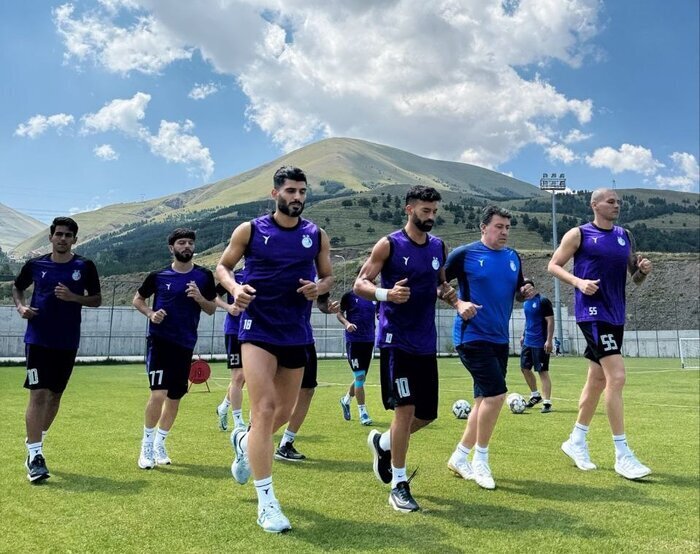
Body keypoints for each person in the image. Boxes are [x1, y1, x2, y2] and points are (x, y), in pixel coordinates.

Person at [216, 166, 333, 533]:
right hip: (257, 328)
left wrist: (319, 288)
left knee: (282, 412)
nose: (297, 197)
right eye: (291, 191)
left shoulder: (316, 235)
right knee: (264, 409)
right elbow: (223, 267)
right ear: (275, 193)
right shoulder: (250, 230)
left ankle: (243, 441)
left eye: (302, 191)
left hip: (296, 331)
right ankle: (267, 503)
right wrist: (235, 289)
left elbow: (328, 276)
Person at [355, 185, 456, 513]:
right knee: (405, 409)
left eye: (434, 211)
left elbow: (440, 284)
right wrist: (386, 294)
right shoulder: (389, 244)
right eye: (425, 211)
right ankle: (398, 484)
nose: (431, 216)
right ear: (409, 209)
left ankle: (383, 442)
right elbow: (360, 284)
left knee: (426, 415)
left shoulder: (439, 246)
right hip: (396, 341)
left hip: (426, 342)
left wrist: (450, 295)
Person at [548, 188, 653, 480]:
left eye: (618, 202)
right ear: (594, 205)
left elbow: (635, 278)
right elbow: (553, 265)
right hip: (593, 314)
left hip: (616, 314)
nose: (616, 205)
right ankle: (623, 454)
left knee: (597, 380)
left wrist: (643, 270)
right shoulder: (578, 234)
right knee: (616, 377)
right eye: (610, 201)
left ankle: (576, 440)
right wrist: (578, 282)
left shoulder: (625, 236)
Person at [444, 205, 534, 490]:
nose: (504, 232)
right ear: (483, 227)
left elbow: (518, 291)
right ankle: (480, 460)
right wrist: (458, 303)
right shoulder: (465, 254)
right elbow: (435, 283)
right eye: (499, 226)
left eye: (507, 227)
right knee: (496, 396)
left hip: (499, 339)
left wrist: (524, 291)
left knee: (484, 401)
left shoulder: (512, 257)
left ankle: (459, 457)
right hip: (471, 336)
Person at [12, 216, 102, 483]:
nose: (63, 238)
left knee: (54, 396)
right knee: (38, 394)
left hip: (67, 341)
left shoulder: (84, 266)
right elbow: (17, 288)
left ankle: (35, 440)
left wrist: (74, 297)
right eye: (59, 234)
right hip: (38, 339)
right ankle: (35, 456)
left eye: (68, 235)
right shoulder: (35, 264)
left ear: (75, 239)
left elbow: (97, 299)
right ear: (51, 237)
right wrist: (21, 307)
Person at [133, 228, 216, 470]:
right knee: (158, 393)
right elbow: (138, 299)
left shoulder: (204, 276)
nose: (186, 246)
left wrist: (199, 297)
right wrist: (151, 313)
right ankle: (146, 446)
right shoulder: (158, 276)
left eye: (190, 242)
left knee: (175, 397)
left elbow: (211, 309)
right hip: (160, 341)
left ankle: (160, 443)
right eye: (181, 242)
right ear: (172, 248)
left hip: (185, 343)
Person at [274, 293, 339, 462]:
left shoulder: (317, 277)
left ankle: (286, 443)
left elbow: (322, 301)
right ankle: (249, 438)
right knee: (276, 394)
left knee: (308, 390)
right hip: (274, 335)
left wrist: (328, 307)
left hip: (303, 337)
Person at [337, 288, 376, 425]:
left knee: (361, 378)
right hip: (354, 341)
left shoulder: (374, 296)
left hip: (369, 340)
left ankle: (346, 400)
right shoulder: (349, 296)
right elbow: (339, 313)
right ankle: (363, 413)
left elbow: (379, 314)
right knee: (359, 377)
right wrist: (347, 324)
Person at [215, 268, 247, 432]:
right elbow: (214, 295)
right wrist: (228, 307)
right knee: (238, 375)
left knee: (247, 377)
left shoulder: (265, 273)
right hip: (235, 331)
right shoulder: (234, 275)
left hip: (256, 331)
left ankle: (223, 407)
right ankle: (238, 421)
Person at [519, 278, 555, 413]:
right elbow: (528, 320)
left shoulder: (543, 301)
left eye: (529, 289)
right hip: (528, 342)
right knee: (524, 369)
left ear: (534, 288)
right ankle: (535, 395)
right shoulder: (525, 303)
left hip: (540, 343)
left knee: (542, 371)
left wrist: (549, 340)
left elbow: (550, 321)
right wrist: (523, 335)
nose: (527, 291)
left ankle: (547, 402)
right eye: (525, 290)